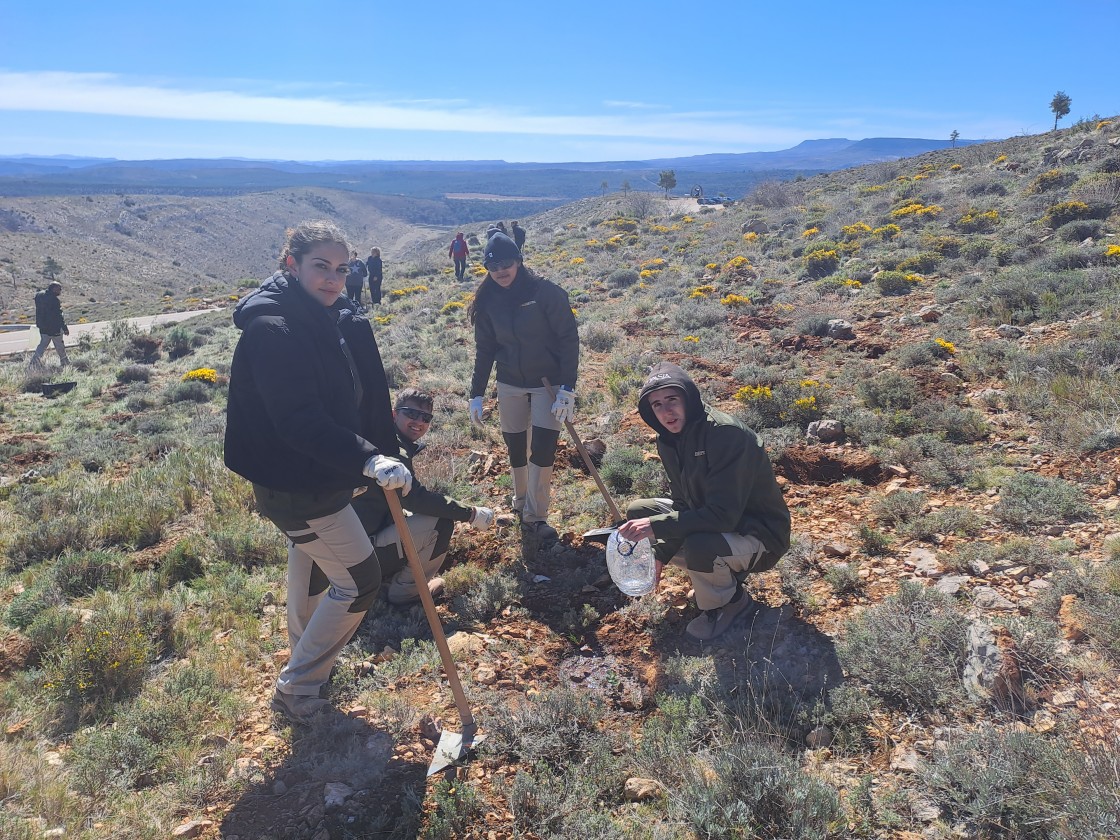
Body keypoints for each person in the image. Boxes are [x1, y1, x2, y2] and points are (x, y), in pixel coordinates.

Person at [224, 219, 412, 724]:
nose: (333, 279)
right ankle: (298, 687)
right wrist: (366, 458)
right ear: (292, 265)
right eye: (320, 267)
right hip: (298, 485)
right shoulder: (275, 330)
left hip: (318, 474)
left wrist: (373, 451)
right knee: (359, 579)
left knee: (310, 570)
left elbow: (357, 395)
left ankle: (307, 666)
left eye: (342, 269)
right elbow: (299, 421)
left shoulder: (327, 316)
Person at [617, 362, 791, 642]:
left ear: (689, 398)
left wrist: (655, 528)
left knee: (697, 542)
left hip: (760, 534)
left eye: (672, 400)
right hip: (720, 521)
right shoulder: (669, 440)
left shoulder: (725, 434)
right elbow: (683, 503)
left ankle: (730, 603)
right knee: (640, 511)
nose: (666, 412)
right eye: (657, 405)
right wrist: (661, 553)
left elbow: (722, 517)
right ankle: (716, 576)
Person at [468, 232, 579, 544]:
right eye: (493, 265)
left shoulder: (546, 293)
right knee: (516, 445)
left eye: (506, 263)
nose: (501, 270)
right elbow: (485, 349)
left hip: (548, 383)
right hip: (510, 383)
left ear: (518, 261)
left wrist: (568, 387)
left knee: (542, 448)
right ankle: (520, 503)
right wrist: (476, 393)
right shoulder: (488, 300)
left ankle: (536, 515)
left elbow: (569, 339)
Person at [352, 387, 494, 604]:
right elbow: (415, 499)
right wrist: (471, 514)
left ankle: (386, 578)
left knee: (408, 516)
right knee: (440, 524)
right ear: (394, 413)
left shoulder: (380, 437)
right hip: (361, 552)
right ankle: (406, 593)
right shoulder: (394, 451)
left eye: (425, 417)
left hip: (346, 545)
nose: (419, 421)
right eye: (411, 413)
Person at [28, 281, 69, 367]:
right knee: (59, 345)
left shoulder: (39, 295)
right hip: (54, 327)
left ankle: (34, 363)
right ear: (54, 289)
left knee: (42, 345)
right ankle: (65, 362)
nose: (60, 291)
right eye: (59, 289)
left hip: (43, 326)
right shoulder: (54, 300)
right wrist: (64, 328)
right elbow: (58, 315)